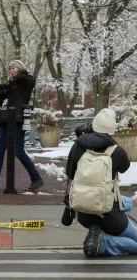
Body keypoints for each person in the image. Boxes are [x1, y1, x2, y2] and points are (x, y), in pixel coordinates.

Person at [64, 108, 137, 257]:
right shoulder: (117, 151)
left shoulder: (78, 145)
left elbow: (70, 173)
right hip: (108, 215)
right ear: (112, 130)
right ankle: (105, 241)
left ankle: (97, 232)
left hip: (82, 210)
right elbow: (125, 168)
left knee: (127, 202)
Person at [0, 60, 43, 190]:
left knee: (18, 151)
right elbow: (4, 101)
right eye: (10, 69)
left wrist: (17, 76)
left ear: (20, 69)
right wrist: (1, 91)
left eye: (14, 68)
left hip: (18, 119)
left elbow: (25, 78)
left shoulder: (26, 81)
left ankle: (36, 178)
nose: (12, 71)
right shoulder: (12, 84)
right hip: (5, 119)